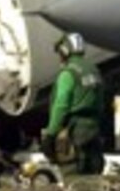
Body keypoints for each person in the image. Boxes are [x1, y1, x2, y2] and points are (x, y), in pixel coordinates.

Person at [42, 32, 110, 175]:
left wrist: (50, 134)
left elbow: (61, 105)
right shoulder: (93, 70)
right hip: (94, 130)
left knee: (73, 181)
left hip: (75, 132)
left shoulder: (69, 73)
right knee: (93, 179)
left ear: (65, 50)